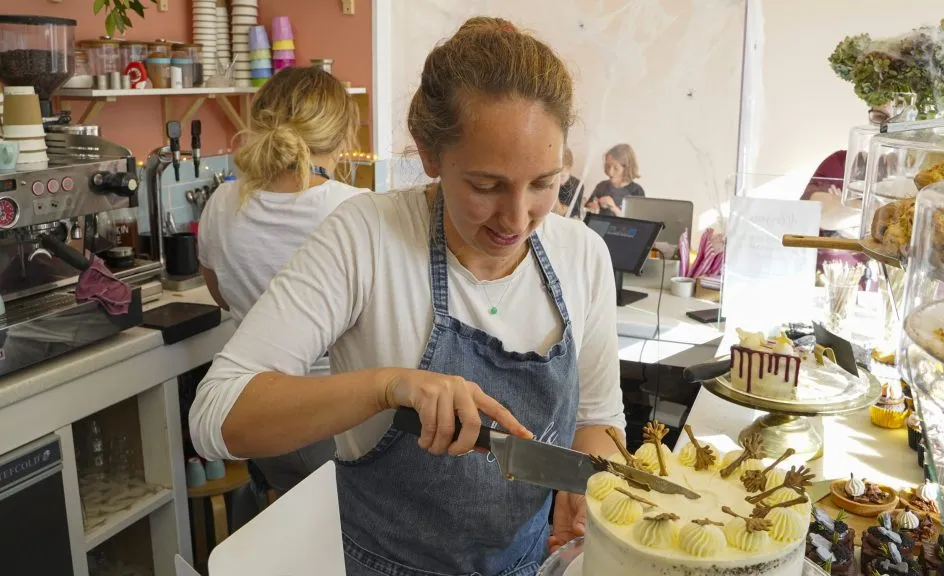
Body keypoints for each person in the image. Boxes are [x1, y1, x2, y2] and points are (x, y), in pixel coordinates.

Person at [189, 16, 626, 576]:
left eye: (543, 183)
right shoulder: (366, 238)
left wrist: (590, 483)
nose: (516, 219)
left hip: (528, 563)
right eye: (486, 186)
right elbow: (217, 414)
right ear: (428, 153)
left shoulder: (582, 255)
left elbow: (599, 420)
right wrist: (386, 386)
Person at [197, 66, 364, 493]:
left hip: (261, 417)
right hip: (339, 418)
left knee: (292, 528)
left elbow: (219, 294)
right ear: (344, 136)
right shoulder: (360, 210)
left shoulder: (220, 203)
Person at [585, 143, 644, 216]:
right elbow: (588, 207)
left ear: (626, 169)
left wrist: (613, 208)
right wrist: (592, 206)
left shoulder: (636, 191)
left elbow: (637, 222)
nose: (610, 172)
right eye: (608, 166)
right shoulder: (601, 186)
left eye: (616, 168)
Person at [554, 146, 584, 218]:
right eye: (554, 176)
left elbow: (561, 212)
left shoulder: (576, 185)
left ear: (569, 169)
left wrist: (553, 188)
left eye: (562, 176)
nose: (557, 180)